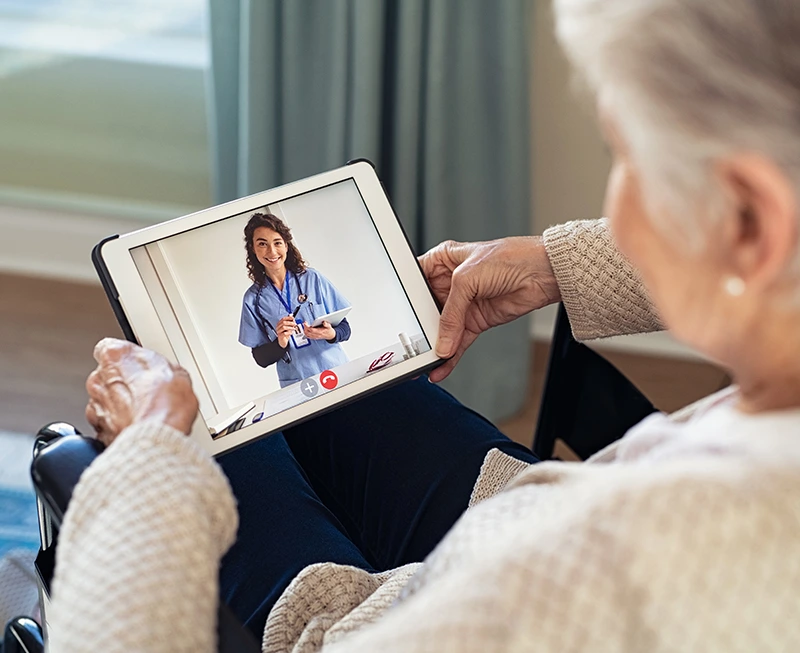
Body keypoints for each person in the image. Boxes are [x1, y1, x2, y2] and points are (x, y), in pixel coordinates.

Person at [52, 0, 800, 650]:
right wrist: (553, 263)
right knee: (336, 396)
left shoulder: (612, 568)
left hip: (398, 614)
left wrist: (147, 460)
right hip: (523, 509)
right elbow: (256, 341)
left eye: (628, 154)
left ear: (750, 220)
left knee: (200, 437)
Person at [238, 212, 352, 387]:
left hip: (335, 370)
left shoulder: (312, 278)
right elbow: (260, 358)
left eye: (277, 243)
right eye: (262, 244)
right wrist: (280, 342)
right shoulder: (253, 299)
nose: (272, 251)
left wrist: (331, 334)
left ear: (286, 245)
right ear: (253, 248)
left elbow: (345, 328)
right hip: (299, 383)